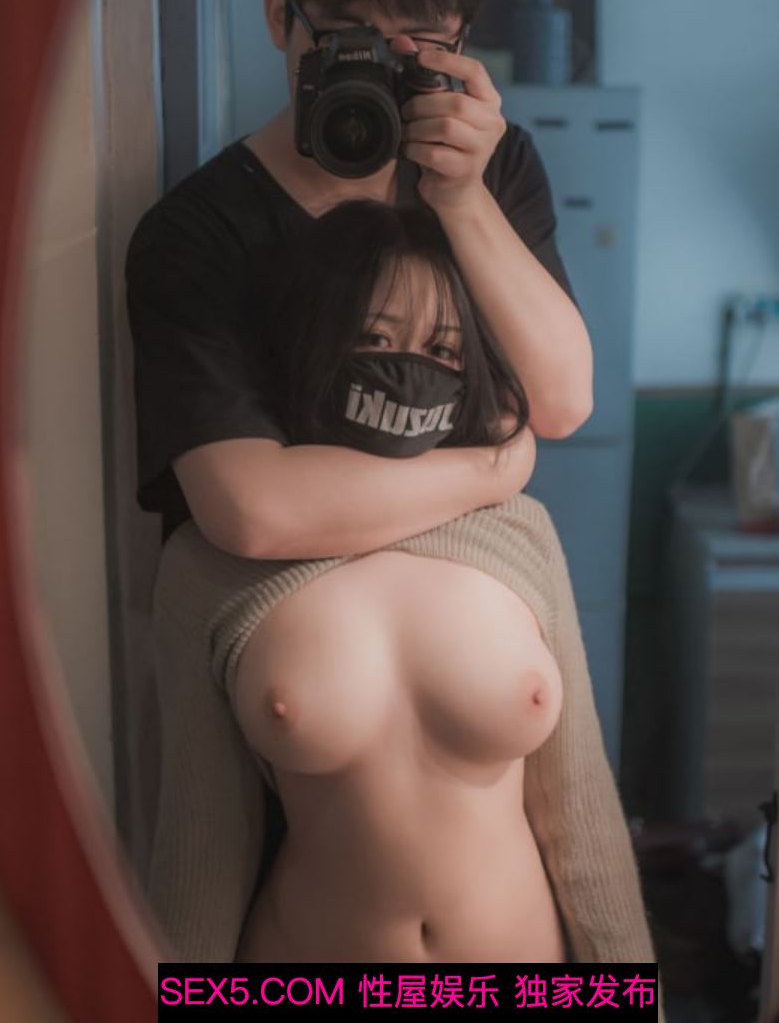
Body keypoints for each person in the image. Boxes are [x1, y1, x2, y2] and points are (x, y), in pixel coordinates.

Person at [139, 200, 653, 964]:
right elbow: (201, 845)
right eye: (374, 338)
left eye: (443, 349)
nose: (406, 367)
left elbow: (580, 817)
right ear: (313, 340)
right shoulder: (210, 561)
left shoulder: (517, 532)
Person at [125, 0, 593, 561]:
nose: (371, 72)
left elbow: (561, 404)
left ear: (461, 40)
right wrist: (497, 467)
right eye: (346, 40)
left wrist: (463, 201)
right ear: (280, 16)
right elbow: (254, 514)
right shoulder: (197, 229)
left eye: (417, 45)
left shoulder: (495, 167)